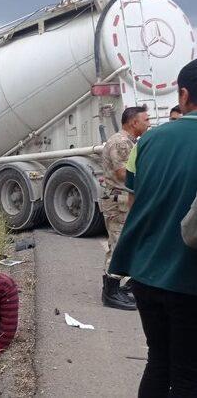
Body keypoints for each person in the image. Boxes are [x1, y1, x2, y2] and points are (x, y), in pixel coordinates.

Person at [109, 59, 197, 396]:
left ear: (184, 94)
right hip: (189, 280)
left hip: (146, 273)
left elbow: (135, 202)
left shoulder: (148, 141)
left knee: (158, 361)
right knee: (189, 373)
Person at [99, 106, 150, 310]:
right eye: (145, 120)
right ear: (133, 122)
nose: (149, 123)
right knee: (118, 245)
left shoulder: (129, 142)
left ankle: (118, 288)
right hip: (119, 202)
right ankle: (110, 293)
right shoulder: (121, 143)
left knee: (125, 244)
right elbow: (123, 174)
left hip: (123, 200)